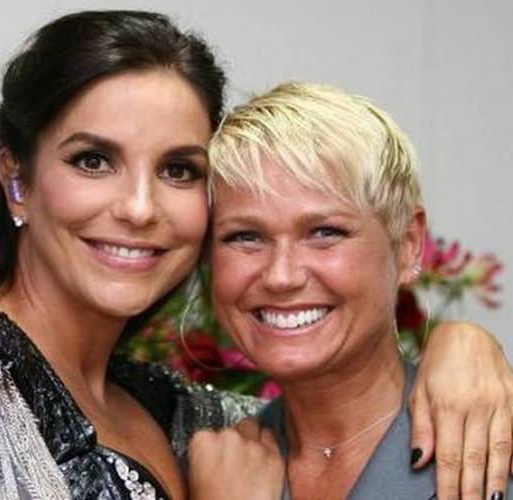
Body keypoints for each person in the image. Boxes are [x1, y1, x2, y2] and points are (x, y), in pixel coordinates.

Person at [0, 11, 513, 500]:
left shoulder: (179, 412)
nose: (138, 207)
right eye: (93, 160)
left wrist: (461, 345)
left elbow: (338, 398)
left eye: (179, 170)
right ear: (18, 180)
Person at [190, 81, 512, 499]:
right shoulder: (204, 470)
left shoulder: (494, 444)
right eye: (245, 237)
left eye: (325, 232)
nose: (281, 276)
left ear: (408, 244)